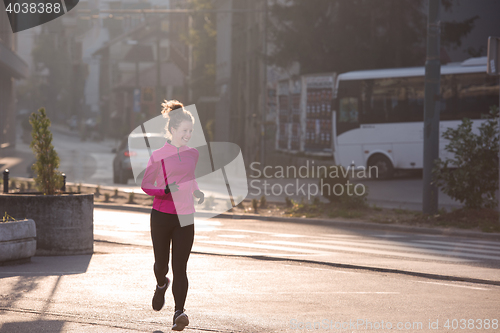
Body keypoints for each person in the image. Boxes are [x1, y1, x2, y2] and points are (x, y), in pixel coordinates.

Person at [141, 100, 205, 331]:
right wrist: (164, 190)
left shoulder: (193, 154)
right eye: (184, 131)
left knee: (181, 267)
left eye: (191, 131)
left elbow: (190, 177)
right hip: (161, 215)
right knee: (162, 265)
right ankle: (160, 284)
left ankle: (179, 312)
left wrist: (196, 191)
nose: (188, 135)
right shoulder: (158, 155)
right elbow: (146, 184)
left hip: (185, 216)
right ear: (173, 130)